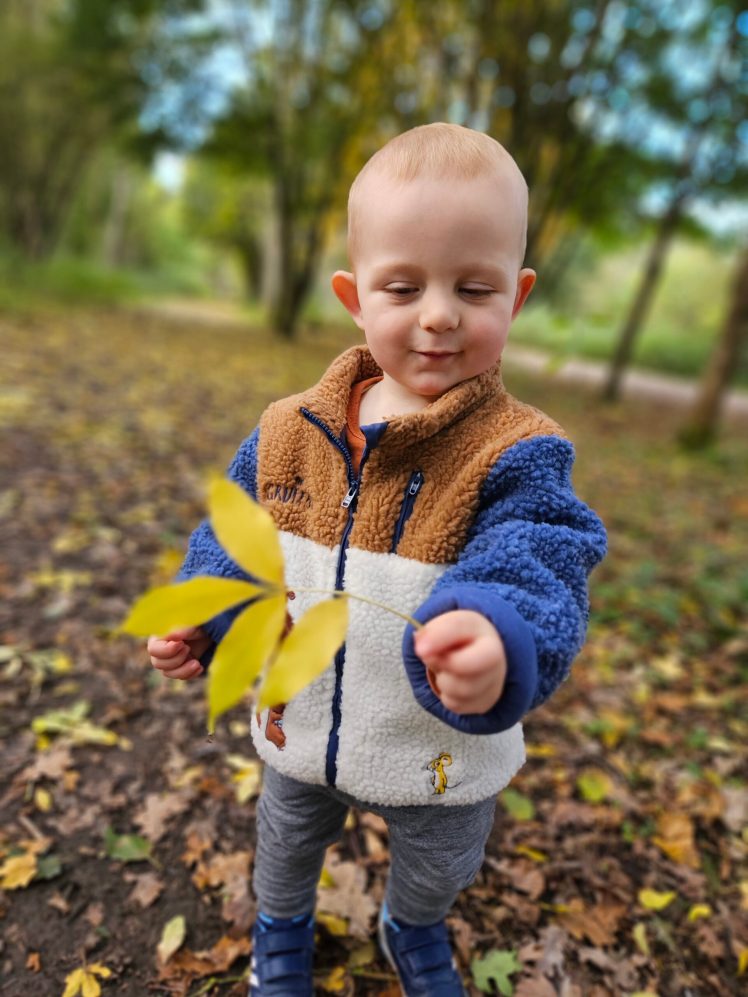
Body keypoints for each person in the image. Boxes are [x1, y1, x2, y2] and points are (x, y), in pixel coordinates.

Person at [148, 123, 607, 997]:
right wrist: (198, 616)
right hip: (303, 723)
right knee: (283, 844)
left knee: (441, 863)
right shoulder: (291, 430)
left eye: (475, 287)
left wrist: (498, 633)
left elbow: (542, 553)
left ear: (519, 293)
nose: (439, 314)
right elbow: (238, 534)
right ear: (356, 297)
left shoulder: (519, 451)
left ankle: (413, 923)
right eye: (404, 286)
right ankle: (280, 932)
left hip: (437, 748)